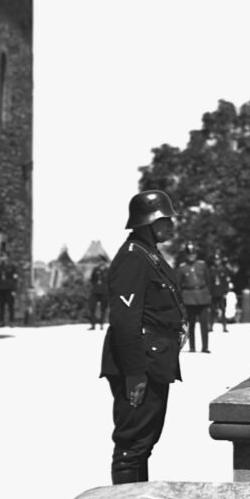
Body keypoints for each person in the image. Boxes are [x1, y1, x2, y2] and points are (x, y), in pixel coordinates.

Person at [100, 190, 186, 484]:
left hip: (155, 358)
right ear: (147, 223)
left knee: (145, 442)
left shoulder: (150, 254)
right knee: (132, 444)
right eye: (165, 220)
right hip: (140, 362)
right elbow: (125, 320)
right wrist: (135, 373)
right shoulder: (133, 258)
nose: (171, 226)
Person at [176, 242, 211, 353]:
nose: (191, 256)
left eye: (193, 254)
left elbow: (208, 280)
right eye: (189, 254)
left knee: (204, 323)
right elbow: (178, 284)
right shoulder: (182, 268)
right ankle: (192, 347)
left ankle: (205, 347)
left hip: (202, 295)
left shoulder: (202, 265)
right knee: (191, 324)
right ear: (186, 255)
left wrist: (207, 294)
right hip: (189, 297)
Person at [0, 258, 20, 327]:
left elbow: (15, 278)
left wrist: (14, 289)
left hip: (9, 288)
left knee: (10, 305)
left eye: (4, 257)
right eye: (1, 257)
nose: (3, 259)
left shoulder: (11, 267)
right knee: (1, 306)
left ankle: (12, 321)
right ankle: (1, 321)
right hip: (0, 289)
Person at [209, 253, 231, 333]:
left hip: (221, 292)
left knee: (223, 309)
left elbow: (226, 282)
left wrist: (226, 292)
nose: (217, 261)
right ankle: (210, 326)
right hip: (214, 292)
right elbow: (209, 281)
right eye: (215, 260)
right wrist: (209, 292)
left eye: (218, 260)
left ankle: (224, 326)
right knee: (212, 310)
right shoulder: (211, 269)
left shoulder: (224, 269)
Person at [87, 258, 108, 330]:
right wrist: (95, 286)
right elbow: (92, 279)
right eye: (99, 261)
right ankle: (93, 325)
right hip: (95, 291)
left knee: (103, 308)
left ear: (105, 262)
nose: (101, 262)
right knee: (92, 307)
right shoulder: (95, 269)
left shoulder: (108, 271)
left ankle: (101, 324)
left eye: (102, 261)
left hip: (105, 292)